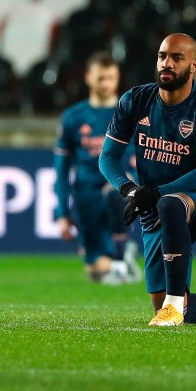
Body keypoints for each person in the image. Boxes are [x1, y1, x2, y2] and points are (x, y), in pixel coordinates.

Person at [98, 33, 196, 327]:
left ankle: (172, 306)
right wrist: (131, 190)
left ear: (194, 66)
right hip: (152, 206)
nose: (166, 63)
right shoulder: (135, 100)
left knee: (171, 204)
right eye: (162, 56)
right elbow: (107, 157)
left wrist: (156, 194)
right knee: (176, 310)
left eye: (176, 58)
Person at [54, 51, 141, 285]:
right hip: (86, 197)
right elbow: (61, 170)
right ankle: (121, 260)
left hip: (120, 190)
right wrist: (62, 212)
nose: (106, 84)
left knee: (117, 194)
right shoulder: (73, 117)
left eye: (111, 78)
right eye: (101, 78)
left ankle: (122, 252)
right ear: (88, 78)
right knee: (97, 272)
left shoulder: (130, 112)